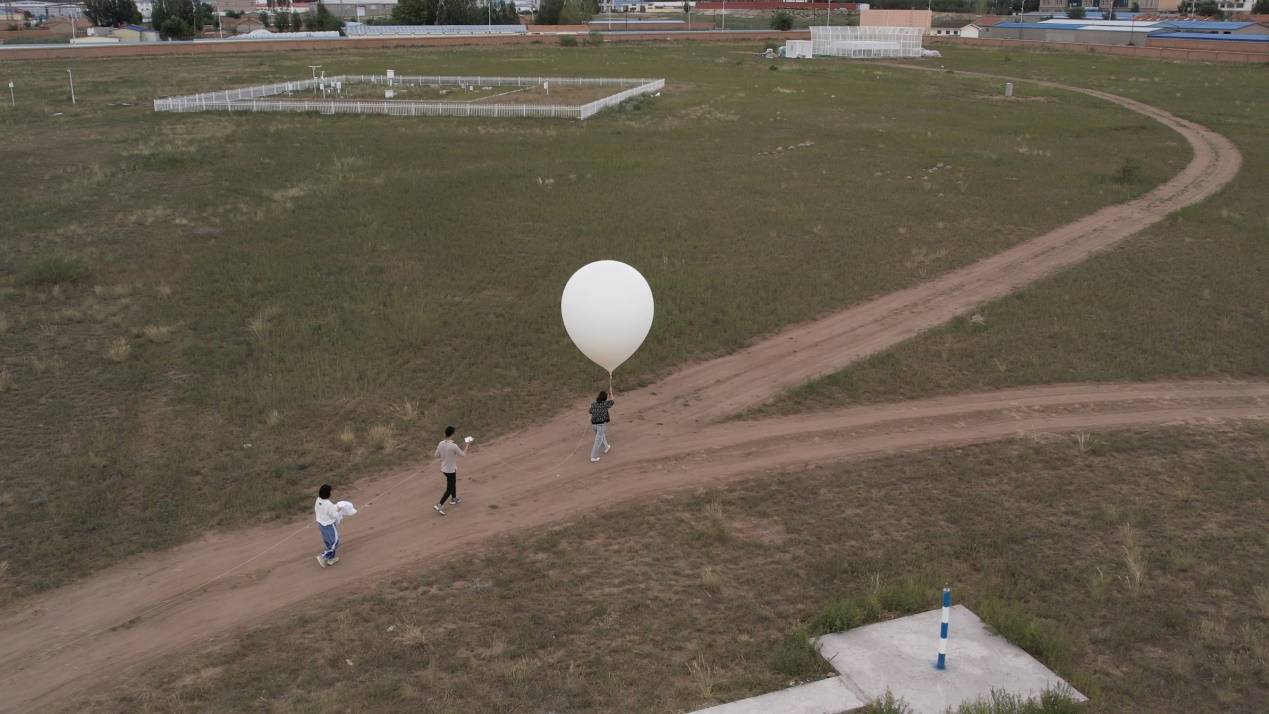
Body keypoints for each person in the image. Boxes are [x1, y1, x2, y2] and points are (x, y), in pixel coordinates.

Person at [434, 425, 469, 516]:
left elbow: (436, 455)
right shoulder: (453, 446)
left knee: (452, 483)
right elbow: (463, 454)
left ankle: (454, 499)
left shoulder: (441, 443)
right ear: (453, 434)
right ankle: (439, 505)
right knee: (449, 488)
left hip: (444, 469)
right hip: (451, 470)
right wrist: (468, 445)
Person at [314, 484, 340, 568]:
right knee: (335, 542)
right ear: (328, 494)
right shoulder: (328, 504)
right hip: (329, 525)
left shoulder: (318, 500)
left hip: (321, 524)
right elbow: (334, 515)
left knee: (328, 541)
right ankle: (323, 556)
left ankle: (331, 559)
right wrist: (338, 510)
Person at [589, 389, 615, 463]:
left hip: (594, 425)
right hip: (601, 425)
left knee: (601, 436)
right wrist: (611, 394)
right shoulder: (605, 404)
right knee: (598, 441)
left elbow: (590, 411)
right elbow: (612, 401)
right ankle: (593, 457)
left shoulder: (593, 403)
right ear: (605, 398)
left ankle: (606, 448)